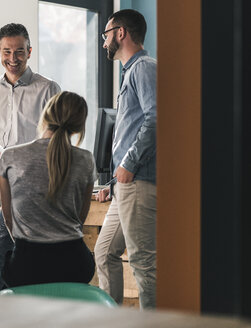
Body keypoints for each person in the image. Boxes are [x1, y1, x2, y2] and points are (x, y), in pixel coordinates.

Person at [0, 23, 61, 281]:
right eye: (7, 52)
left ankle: (5, 301)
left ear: (30, 52)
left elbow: (57, 138)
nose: (13, 59)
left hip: (29, 174)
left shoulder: (48, 89)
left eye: (20, 52)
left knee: (4, 238)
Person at [0, 91, 96, 287]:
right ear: (78, 126)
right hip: (74, 264)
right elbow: (79, 219)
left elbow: (9, 220)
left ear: (46, 115)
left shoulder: (11, 157)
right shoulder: (86, 160)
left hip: (27, 265)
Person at [93, 9, 157, 309]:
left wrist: (129, 164)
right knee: (104, 254)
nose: (104, 41)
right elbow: (132, 129)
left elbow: (157, 119)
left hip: (140, 181)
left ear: (120, 33)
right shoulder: (130, 71)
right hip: (125, 185)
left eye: (106, 34)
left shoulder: (143, 67)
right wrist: (114, 181)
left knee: (144, 265)